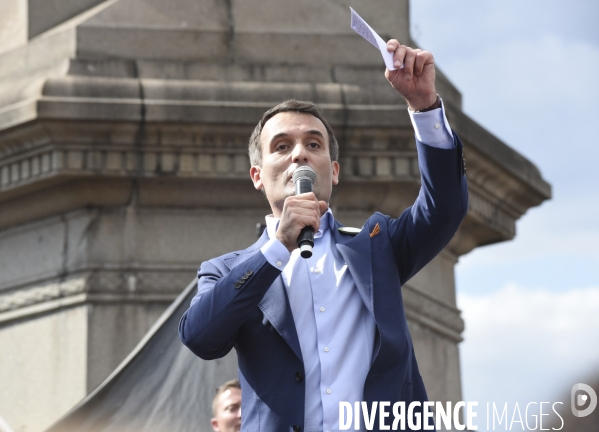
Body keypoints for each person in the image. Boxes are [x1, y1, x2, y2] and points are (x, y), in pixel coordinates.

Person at [179, 40, 468, 431]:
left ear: (333, 171)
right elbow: (200, 337)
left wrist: (425, 108)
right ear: (258, 176)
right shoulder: (226, 271)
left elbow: (444, 208)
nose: (299, 154)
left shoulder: (376, 246)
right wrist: (277, 248)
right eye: (282, 146)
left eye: (313, 144)